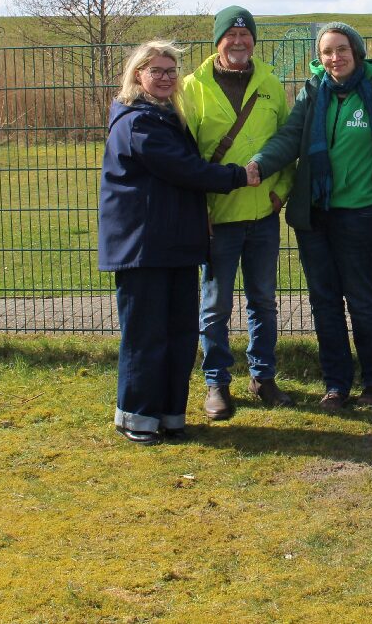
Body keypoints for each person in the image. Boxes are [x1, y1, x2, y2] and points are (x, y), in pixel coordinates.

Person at [252, 22, 372, 411]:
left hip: (361, 214)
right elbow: (290, 138)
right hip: (315, 215)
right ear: (319, 57)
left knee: (361, 299)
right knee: (324, 302)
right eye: (327, 52)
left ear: (356, 51)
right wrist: (260, 164)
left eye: (341, 49)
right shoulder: (312, 92)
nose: (334, 58)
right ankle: (336, 385)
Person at [98, 40, 260, 445]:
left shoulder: (166, 116)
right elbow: (184, 169)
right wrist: (238, 176)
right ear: (138, 74)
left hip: (174, 244)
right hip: (144, 248)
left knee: (179, 335)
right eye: (156, 71)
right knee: (146, 336)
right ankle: (137, 417)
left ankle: (171, 416)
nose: (166, 78)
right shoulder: (138, 122)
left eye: (171, 71)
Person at [180, 6, 295, 419]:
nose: (239, 42)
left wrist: (280, 194)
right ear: (218, 41)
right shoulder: (191, 88)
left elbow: (288, 142)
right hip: (218, 218)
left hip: (263, 216)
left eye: (246, 35)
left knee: (263, 301)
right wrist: (199, 209)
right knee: (215, 306)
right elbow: (185, 157)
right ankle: (217, 382)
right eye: (231, 35)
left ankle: (263, 377)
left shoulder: (270, 83)